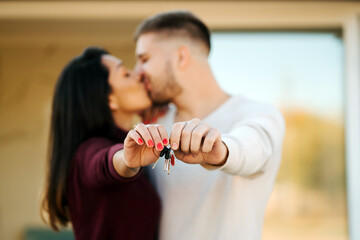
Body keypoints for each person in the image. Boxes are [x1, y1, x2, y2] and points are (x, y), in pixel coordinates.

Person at [134, 11, 286, 240]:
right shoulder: (156, 124)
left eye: (144, 60)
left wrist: (221, 151)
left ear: (181, 57)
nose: (137, 72)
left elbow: (253, 147)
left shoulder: (257, 115)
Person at [40, 47, 171, 240]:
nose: (139, 75)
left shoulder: (124, 137)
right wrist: (126, 159)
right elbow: (105, 162)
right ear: (110, 99)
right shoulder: (88, 152)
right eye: (126, 74)